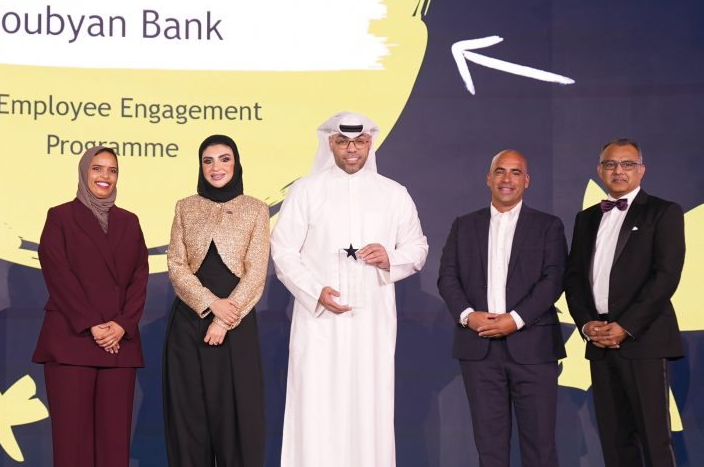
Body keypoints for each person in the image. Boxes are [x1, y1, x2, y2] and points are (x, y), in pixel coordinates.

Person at [271, 111, 428, 467]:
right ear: (331, 143)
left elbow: (417, 248)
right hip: (319, 322)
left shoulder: (393, 193)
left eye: (360, 142)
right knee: (316, 407)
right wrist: (315, 292)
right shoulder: (306, 190)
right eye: (343, 142)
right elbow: (282, 250)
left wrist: (390, 257)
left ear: (370, 143)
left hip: (372, 322)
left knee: (368, 406)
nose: (352, 149)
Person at [438, 149, 567, 467]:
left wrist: (516, 319)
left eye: (515, 172)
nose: (507, 178)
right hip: (479, 349)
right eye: (500, 171)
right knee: (490, 448)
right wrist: (468, 316)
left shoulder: (548, 226)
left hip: (534, 348)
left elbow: (554, 279)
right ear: (488, 178)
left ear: (527, 180)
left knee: (540, 447)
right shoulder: (464, 225)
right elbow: (447, 277)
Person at [564, 138, 685, 467]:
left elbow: (666, 276)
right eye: (611, 164)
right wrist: (587, 324)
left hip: (643, 339)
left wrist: (626, 326)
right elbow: (573, 278)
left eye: (627, 164)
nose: (619, 171)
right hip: (599, 342)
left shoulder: (663, 212)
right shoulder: (586, 218)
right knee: (614, 441)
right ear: (600, 170)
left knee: (655, 440)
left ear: (641, 170)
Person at [32, 146, 149, 467]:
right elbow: (58, 275)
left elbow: (139, 277)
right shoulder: (60, 217)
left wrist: (122, 324)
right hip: (73, 341)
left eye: (112, 170)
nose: (105, 176)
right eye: (97, 168)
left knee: (114, 447)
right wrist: (92, 324)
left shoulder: (129, 221)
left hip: (119, 345)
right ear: (84, 172)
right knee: (73, 446)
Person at [164, 134, 269, 467]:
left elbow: (256, 271)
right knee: (189, 418)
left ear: (236, 163)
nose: (216, 167)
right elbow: (176, 265)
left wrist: (223, 319)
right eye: (208, 161)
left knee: (234, 419)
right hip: (188, 323)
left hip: (236, 324)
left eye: (224, 159)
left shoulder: (256, 209)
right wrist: (211, 303)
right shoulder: (185, 207)